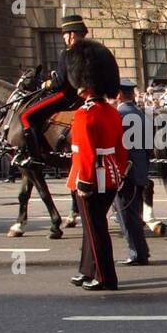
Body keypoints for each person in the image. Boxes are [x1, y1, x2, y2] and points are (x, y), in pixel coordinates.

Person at [15, 13, 90, 238]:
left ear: (72, 35)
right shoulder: (88, 52)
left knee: (26, 116)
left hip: (64, 96)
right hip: (76, 96)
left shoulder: (68, 53)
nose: (65, 38)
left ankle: (34, 154)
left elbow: (60, 83)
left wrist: (48, 83)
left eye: (67, 34)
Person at [65, 39, 128, 292]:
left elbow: (87, 153)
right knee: (93, 227)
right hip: (111, 174)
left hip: (91, 177)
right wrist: (121, 172)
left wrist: (84, 182)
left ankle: (104, 277)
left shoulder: (85, 114)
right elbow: (122, 148)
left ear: (83, 86)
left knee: (96, 230)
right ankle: (87, 269)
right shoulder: (112, 112)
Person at [113, 78, 150, 266]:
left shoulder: (118, 115)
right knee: (133, 213)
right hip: (140, 170)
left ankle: (136, 253)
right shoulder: (141, 114)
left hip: (125, 172)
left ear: (118, 94)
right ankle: (142, 250)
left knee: (126, 214)